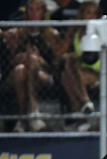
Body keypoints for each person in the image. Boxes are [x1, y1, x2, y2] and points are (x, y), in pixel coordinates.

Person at [4, 0, 60, 132]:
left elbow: (54, 65)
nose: (34, 13)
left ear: (43, 12)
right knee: (19, 70)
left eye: (37, 9)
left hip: (43, 75)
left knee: (33, 59)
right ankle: (29, 115)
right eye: (31, 9)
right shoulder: (17, 33)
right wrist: (20, 56)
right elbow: (8, 63)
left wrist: (38, 60)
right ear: (26, 12)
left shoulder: (51, 34)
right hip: (18, 74)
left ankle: (27, 115)